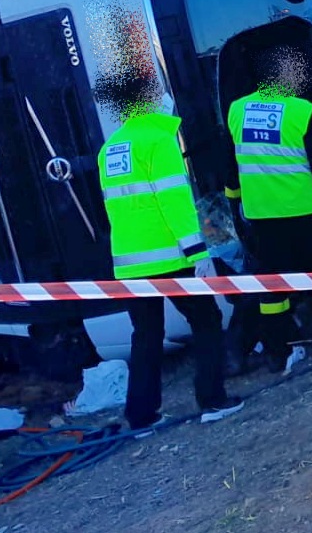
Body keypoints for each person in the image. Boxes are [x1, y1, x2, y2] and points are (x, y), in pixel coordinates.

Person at [97, 87, 243, 435]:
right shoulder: (159, 141)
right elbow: (174, 203)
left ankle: (141, 415)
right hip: (169, 257)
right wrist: (197, 252)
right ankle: (212, 399)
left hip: (129, 263)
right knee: (206, 321)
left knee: (145, 335)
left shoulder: (111, 148)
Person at [224, 45, 312, 374]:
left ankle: (278, 352)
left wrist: (235, 204)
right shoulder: (301, 111)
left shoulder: (237, 111)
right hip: (310, 211)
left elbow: (230, 168)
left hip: (263, 218)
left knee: (274, 289)